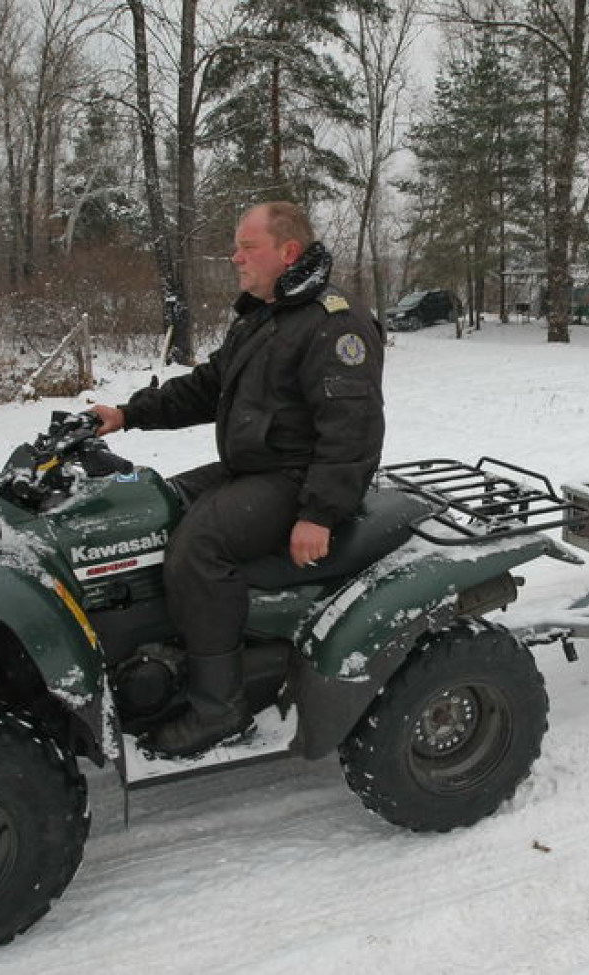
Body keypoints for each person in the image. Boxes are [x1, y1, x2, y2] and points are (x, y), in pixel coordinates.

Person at [91, 202, 385, 758]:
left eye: (247, 247)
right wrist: (129, 414)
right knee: (156, 505)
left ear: (287, 252)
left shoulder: (333, 323)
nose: (236, 257)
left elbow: (353, 429)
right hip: (252, 467)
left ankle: (218, 707)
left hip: (297, 479)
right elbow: (207, 385)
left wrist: (318, 513)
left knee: (196, 547)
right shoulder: (265, 315)